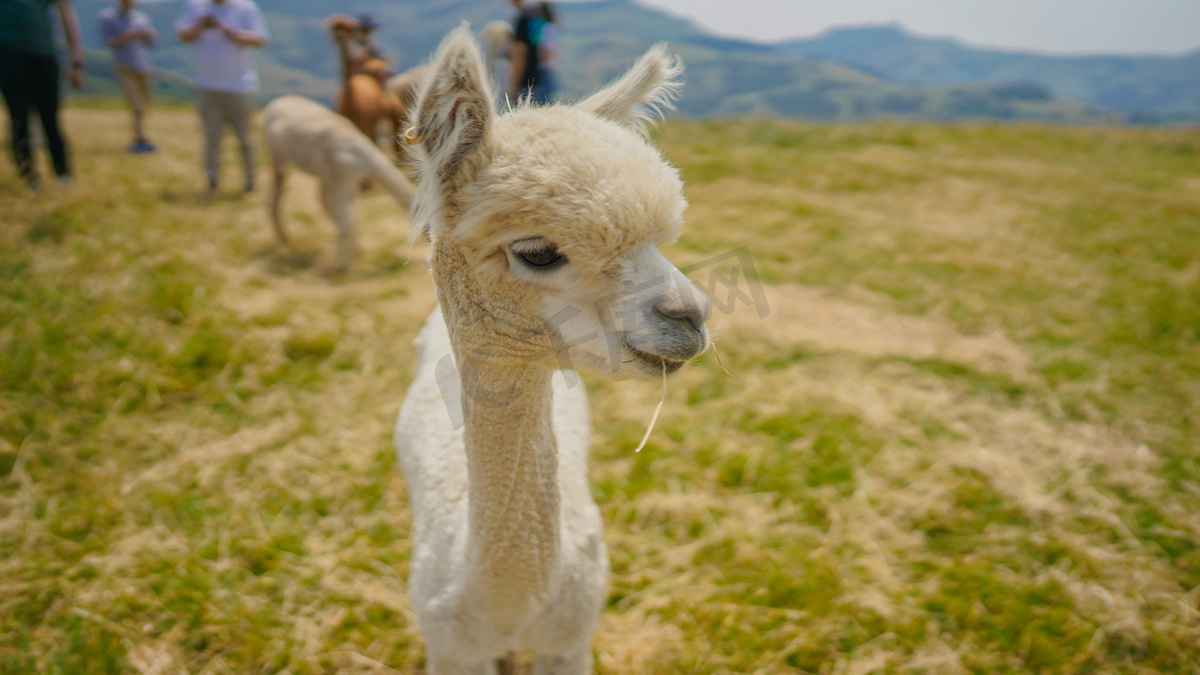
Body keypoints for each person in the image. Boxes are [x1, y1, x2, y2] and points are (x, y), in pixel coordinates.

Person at [174, 0, 268, 195]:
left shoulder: (246, 7)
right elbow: (183, 36)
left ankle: (250, 181)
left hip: (240, 85)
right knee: (211, 138)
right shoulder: (195, 6)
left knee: (245, 137)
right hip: (206, 84)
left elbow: (260, 39)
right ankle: (212, 181)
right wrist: (200, 26)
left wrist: (226, 30)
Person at [0, 0, 87, 190]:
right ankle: (29, 176)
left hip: (43, 56)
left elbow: (66, 12)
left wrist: (76, 61)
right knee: (18, 117)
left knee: (51, 117)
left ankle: (63, 174)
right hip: (7, 54)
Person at [99, 0, 158, 154]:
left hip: (143, 64)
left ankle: (142, 134)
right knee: (135, 104)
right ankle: (139, 137)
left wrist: (150, 36)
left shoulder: (141, 18)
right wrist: (127, 37)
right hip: (123, 65)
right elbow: (108, 42)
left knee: (145, 102)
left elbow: (150, 43)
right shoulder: (108, 17)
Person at [507, 0, 559, 105]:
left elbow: (520, 53)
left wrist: (514, 86)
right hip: (547, 75)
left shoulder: (524, 19)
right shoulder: (541, 15)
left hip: (528, 80)